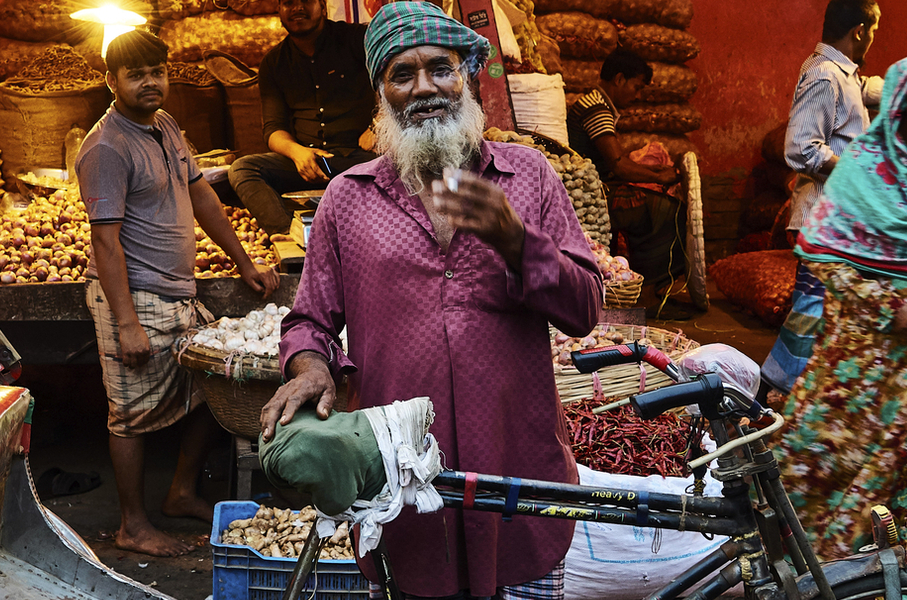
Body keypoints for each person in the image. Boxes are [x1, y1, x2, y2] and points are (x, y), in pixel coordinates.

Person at [260, 3, 603, 597]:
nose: (424, 88)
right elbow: (311, 317)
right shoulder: (348, 197)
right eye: (401, 74)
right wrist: (312, 366)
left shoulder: (530, 177)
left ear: (466, 75)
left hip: (517, 472)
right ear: (380, 93)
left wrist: (518, 242)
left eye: (440, 68)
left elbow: (585, 310)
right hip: (401, 486)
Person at [79, 29, 281, 557]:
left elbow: (201, 196)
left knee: (207, 393)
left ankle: (181, 492)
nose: (151, 83)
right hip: (136, 295)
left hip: (179, 293)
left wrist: (245, 262)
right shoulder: (105, 147)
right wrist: (127, 323)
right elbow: (105, 242)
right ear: (111, 81)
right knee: (130, 414)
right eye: (136, 74)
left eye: (157, 71)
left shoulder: (166, 126)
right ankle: (132, 524)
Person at [778, 48, 907, 566]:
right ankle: (826, 577)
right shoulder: (864, 171)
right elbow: (825, 258)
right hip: (864, 366)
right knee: (839, 470)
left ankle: (902, 582)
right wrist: (887, 304)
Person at [762, 0, 884, 398]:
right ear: (861, 30)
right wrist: (859, 170)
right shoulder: (825, 75)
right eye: (874, 30)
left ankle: (800, 399)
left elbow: (858, 96)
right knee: (811, 314)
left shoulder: (843, 75)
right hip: (822, 221)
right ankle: (769, 395)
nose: (873, 40)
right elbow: (801, 149)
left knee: (821, 315)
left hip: (838, 221)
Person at [228, 0, 378, 234]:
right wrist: (297, 152)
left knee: (404, 163)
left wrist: (379, 124)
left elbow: (397, 80)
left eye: (306, 1)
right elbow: (273, 128)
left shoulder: (357, 39)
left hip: (362, 159)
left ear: (322, 5)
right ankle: (292, 239)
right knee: (243, 169)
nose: (297, 8)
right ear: (279, 10)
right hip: (310, 162)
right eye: (289, 3)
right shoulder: (274, 62)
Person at [567, 50, 690, 319]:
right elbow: (618, 164)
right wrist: (659, 177)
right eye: (635, 86)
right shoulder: (596, 108)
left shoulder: (597, 103)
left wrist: (650, 171)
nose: (636, 95)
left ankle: (646, 288)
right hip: (592, 194)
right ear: (620, 79)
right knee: (668, 211)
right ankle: (648, 292)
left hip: (596, 187)